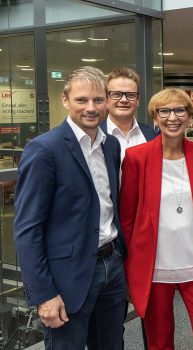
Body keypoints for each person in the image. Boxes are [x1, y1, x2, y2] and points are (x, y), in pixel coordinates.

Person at [13, 66, 127, 348]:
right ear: (65, 100)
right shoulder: (44, 149)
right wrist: (42, 294)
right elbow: (28, 229)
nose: (91, 108)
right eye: (82, 100)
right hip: (67, 278)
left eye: (98, 100)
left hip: (112, 267)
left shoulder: (110, 146)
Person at [120, 88, 193, 349]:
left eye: (180, 110)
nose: (172, 117)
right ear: (155, 119)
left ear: (189, 117)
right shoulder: (137, 158)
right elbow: (127, 219)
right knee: (159, 340)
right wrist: (128, 271)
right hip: (154, 267)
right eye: (164, 111)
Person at [102, 67, 158, 161]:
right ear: (107, 98)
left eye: (130, 95)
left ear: (138, 100)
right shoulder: (94, 135)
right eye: (116, 94)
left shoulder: (154, 135)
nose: (124, 100)